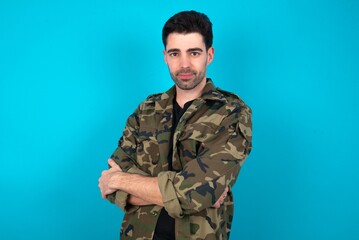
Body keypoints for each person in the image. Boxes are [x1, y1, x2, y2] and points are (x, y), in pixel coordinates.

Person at [98, 10, 252, 240]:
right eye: (175, 53)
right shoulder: (146, 110)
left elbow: (194, 194)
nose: (184, 64)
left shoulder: (232, 113)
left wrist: (121, 180)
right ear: (165, 56)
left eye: (194, 52)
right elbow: (112, 190)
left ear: (210, 55)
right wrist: (187, 192)